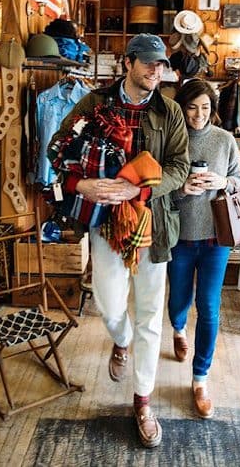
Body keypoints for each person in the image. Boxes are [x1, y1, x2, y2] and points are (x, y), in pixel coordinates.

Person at [48, 34, 190, 448]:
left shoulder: (171, 111)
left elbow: (179, 166)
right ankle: (121, 341)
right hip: (105, 223)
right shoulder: (95, 104)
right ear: (128, 63)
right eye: (148, 63)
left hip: (154, 225)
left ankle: (143, 400)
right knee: (110, 306)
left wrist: (139, 190)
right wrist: (83, 183)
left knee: (150, 315)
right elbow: (57, 148)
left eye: (161, 65)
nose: (155, 71)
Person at [164, 79, 240, 419]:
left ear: (214, 109)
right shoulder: (171, 140)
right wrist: (183, 189)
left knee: (209, 307)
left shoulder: (225, 141)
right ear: (182, 107)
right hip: (180, 236)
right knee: (179, 299)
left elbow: (239, 179)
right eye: (192, 107)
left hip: (215, 238)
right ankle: (179, 330)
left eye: (205, 108)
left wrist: (223, 182)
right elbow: (160, 189)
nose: (199, 114)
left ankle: (200, 379)